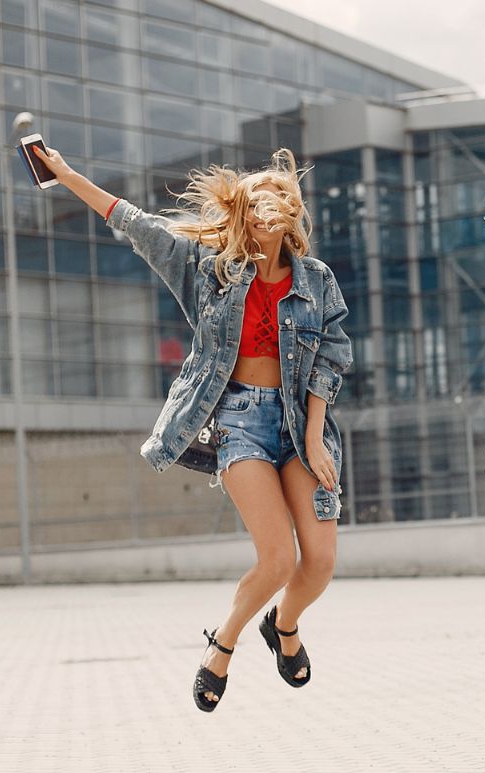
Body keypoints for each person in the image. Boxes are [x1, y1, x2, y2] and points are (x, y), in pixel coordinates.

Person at [32, 144, 352, 712]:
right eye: (257, 197)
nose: (268, 204)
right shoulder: (210, 271)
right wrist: (66, 173)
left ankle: (283, 625)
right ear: (242, 211)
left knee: (320, 562)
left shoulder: (317, 280)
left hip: (302, 426)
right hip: (239, 423)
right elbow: (134, 222)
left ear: (293, 212)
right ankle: (222, 643)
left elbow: (330, 356)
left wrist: (312, 434)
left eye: (279, 194)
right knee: (277, 559)